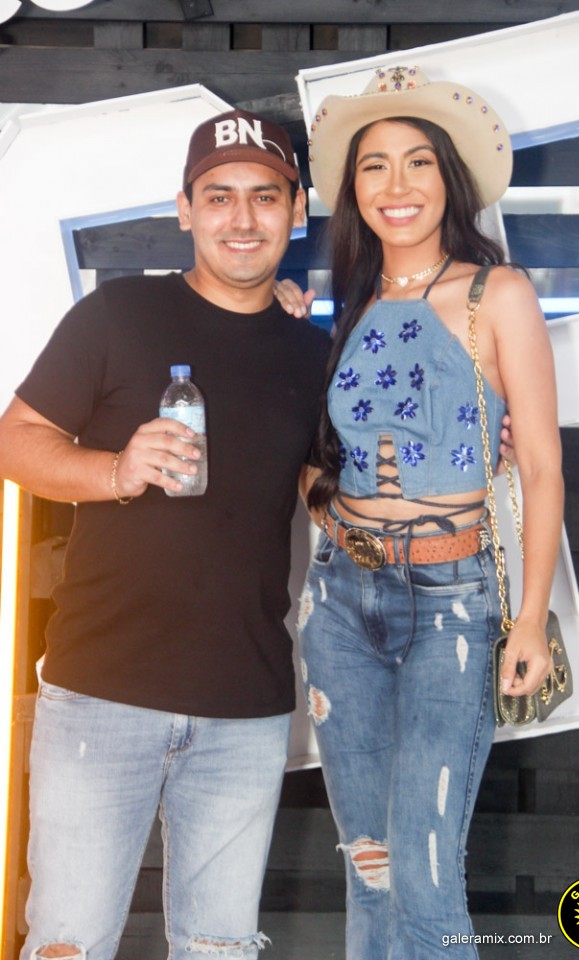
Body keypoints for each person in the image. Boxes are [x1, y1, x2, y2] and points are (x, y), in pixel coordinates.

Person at [0, 109, 331, 960]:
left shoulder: (312, 355)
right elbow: (16, 441)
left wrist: (466, 450)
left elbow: (327, 495)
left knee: (220, 949)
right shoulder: (118, 315)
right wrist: (116, 469)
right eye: (218, 196)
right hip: (99, 696)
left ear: (297, 210)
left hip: (246, 706)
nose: (241, 218)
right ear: (184, 210)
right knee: (68, 945)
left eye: (265, 196)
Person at [290, 66, 564, 959]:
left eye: (417, 162)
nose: (396, 185)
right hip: (340, 601)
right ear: (353, 188)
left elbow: (543, 466)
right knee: (368, 863)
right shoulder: (352, 303)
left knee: (425, 866)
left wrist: (530, 618)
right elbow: (316, 460)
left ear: (450, 177)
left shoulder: (498, 294)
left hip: (452, 602)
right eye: (374, 165)